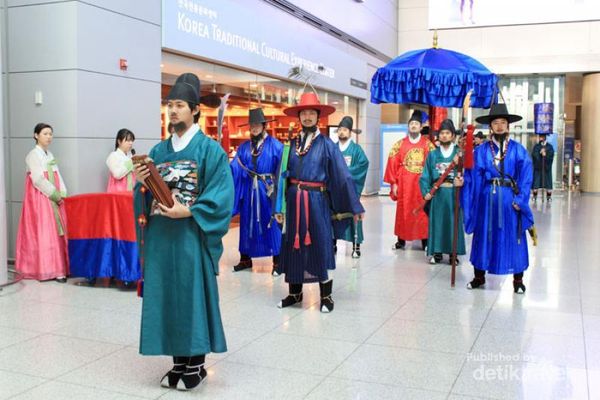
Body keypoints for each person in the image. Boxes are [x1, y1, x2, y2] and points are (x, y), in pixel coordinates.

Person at [133, 73, 234, 391]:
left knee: (191, 294)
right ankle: (178, 360)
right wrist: (141, 184)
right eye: (169, 105)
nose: (173, 111)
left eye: (179, 105)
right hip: (163, 235)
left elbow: (221, 193)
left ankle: (197, 362)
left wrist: (188, 210)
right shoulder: (159, 152)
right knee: (167, 294)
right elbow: (146, 195)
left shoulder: (210, 151)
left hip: (191, 232)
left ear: (195, 111)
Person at [275, 93, 364, 313]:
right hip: (294, 201)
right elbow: (282, 177)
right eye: (303, 113)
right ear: (298, 116)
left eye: (311, 113)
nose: (306, 117)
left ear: (318, 117)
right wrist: (279, 208)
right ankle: (295, 293)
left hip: (317, 202)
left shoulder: (327, 145)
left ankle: (326, 296)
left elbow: (342, 176)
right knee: (292, 246)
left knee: (322, 245)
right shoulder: (292, 144)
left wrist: (354, 205)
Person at [462, 104, 534, 294]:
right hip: (487, 201)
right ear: (490, 127)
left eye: (503, 122)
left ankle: (518, 280)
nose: (500, 126)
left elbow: (526, 177)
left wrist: (521, 199)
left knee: (514, 236)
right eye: (496, 123)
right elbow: (473, 174)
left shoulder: (519, 150)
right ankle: (479, 276)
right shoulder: (481, 151)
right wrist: (465, 180)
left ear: (508, 126)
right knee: (484, 236)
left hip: (511, 201)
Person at [230, 108, 283, 275]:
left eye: (257, 125)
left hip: (268, 191)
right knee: (246, 223)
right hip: (248, 192)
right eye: (251, 125)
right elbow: (235, 169)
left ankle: (278, 262)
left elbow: (281, 172)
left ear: (264, 126)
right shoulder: (244, 147)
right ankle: (245, 259)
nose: (254, 128)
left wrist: (278, 193)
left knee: (272, 224)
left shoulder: (276, 146)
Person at [15, 123, 68, 282]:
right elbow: (37, 179)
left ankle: (58, 267)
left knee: (55, 230)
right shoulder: (33, 155)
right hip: (40, 197)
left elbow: (58, 174)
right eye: (45, 133)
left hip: (53, 196)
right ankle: (46, 268)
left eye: (50, 134)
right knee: (44, 231)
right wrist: (54, 194)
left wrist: (63, 192)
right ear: (36, 135)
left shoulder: (49, 154)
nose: (49, 137)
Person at [384, 110, 434, 251]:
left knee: (422, 211)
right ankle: (401, 240)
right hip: (405, 183)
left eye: (416, 124)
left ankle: (425, 240)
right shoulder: (399, 145)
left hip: (421, 183)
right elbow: (392, 163)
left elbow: (432, 164)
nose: (413, 126)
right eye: (411, 124)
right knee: (403, 211)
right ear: (408, 127)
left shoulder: (427, 145)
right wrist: (394, 183)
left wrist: (431, 184)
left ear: (420, 127)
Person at [419, 119, 466, 264]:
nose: (444, 136)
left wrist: (463, 181)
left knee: (453, 223)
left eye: (447, 133)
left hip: (453, 193)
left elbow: (468, 173)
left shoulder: (459, 153)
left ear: (453, 136)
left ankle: (453, 254)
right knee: (437, 223)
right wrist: (426, 191)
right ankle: (437, 252)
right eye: (442, 133)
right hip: (438, 193)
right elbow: (425, 174)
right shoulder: (433, 155)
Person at [333, 116, 369, 258]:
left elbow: (363, 164)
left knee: (354, 215)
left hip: (350, 188)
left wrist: (345, 173)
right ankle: (332, 243)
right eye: (340, 130)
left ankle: (356, 245)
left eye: (345, 130)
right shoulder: (332, 148)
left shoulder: (356, 149)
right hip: (335, 188)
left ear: (350, 132)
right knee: (332, 216)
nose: (342, 132)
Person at [532, 134, 554, 202]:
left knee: (548, 182)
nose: (540, 138)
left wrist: (545, 155)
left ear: (545, 137)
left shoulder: (549, 146)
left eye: (542, 136)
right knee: (536, 182)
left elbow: (551, 156)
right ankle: (534, 196)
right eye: (540, 136)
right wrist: (539, 153)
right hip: (538, 168)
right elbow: (534, 155)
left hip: (546, 168)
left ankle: (549, 197)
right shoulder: (536, 146)